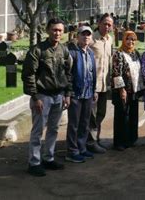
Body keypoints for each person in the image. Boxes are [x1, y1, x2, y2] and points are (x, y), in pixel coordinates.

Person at [22, 18, 72, 177]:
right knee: (37, 131)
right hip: (42, 96)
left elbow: (67, 73)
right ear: (48, 30)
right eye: (54, 30)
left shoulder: (63, 50)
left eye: (60, 30)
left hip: (58, 95)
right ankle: (34, 162)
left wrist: (67, 94)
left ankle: (48, 158)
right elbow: (28, 74)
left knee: (54, 129)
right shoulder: (37, 50)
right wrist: (35, 97)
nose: (57, 33)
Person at [66, 26, 98, 163]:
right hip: (76, 94)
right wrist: (67, 93)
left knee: (84, 123)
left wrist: (94, 90)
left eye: (88, 35)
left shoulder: (90, 53)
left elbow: (92, 73)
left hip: (88, 93)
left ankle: (82, 148)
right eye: (83, 34)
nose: (86, 37)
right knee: (74, 124)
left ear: (91, 38)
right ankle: (72, 151)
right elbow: (67, 75)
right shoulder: (72, 53)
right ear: (78, 36)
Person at [111, 30, 145, 151]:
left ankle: (131, 139)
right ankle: (120, 142)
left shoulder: (135, 53)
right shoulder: (119, 54)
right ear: (123, 40)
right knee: (122, 116)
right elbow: (116, 73)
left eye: (133, 39)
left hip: (134, 90)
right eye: (128, 39)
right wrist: (121, 90)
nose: (130, 41)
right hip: (123, 90)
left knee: (133, 115)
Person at [88, 13, 114, 154]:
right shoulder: (91, 39)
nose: (107, 27)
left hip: (104, 84)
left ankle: (95, 139)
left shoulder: (109, 40)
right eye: (105, 23)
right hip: (93, 85)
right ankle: (90, 142)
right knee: (91, 115)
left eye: (110, 24)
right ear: (99, 23)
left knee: (101, 113)